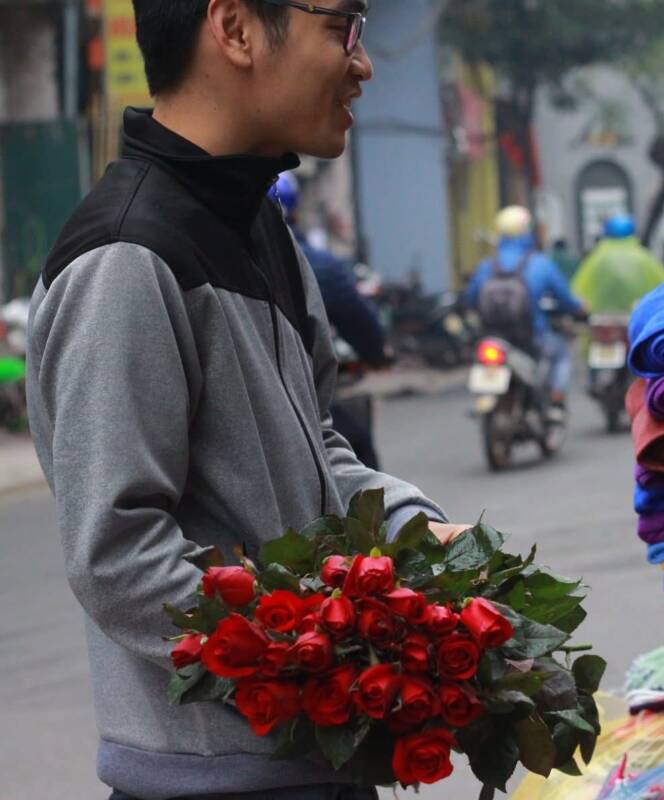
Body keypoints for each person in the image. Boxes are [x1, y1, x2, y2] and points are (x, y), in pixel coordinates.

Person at [24, 2, 467, 799]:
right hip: (212, 780)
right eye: (343, 28)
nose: (362, 64)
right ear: (234, 29)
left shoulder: (261, 229)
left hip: (313, 761)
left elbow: (315, 450)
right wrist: (324, 653)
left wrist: (416, 535)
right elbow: (118, 555)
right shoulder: (126, 258)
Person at [273, 171, 389, 468]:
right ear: (295, 211)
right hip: (297, 398)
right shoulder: (317, 265)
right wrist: (376, 355)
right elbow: (359, 322)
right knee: (358, 450)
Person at [464, 205, 587, 409]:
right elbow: (565, 299)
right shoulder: (540, 264)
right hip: (532, 336)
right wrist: (579, 308)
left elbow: (470, 299)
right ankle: (556, 399)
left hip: (493, 337)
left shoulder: (487, 265)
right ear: (526, 231)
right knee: (561, 354)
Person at [570, 213, 664, 315]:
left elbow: (577, 291)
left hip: (601, 319)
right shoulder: (644, 258)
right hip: (637, 317)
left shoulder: (596, 259)